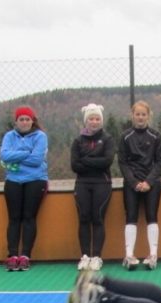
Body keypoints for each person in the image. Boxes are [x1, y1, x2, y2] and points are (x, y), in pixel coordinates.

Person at [0, 106, 49, 271]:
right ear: (16, 121)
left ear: (32, 121)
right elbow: (4, 156)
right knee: (14, 218)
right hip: (13, 180)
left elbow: (36, 160)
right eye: (21, 119)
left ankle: (26, 255)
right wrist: (26, 152)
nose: (25, 122)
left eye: (28, 119)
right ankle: (12, 255)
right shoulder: (9, 136)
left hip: (35, 180)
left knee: (29, 217)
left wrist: (16, 156)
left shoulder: (40, 136)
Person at [117, 101, 161, 270]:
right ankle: (129, 255)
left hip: (152, 183)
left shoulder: (156, 136)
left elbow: (159, 162)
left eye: (143, 114)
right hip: (132, 184)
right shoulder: (125, 137)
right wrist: (134, 182)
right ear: (132, 116)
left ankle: (153, 254)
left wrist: (149, 182)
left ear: (148, 116)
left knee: (152, 216)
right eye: (137, 114)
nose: (140, 117)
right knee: (131, 216)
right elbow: (122, 162)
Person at [71, 103, 115, 271]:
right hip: (82, 183)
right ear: (86, 121)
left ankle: (96, 256)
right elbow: (75, 165)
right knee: (83, 218)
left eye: (97, 119)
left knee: (97, 218)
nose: (94, 122)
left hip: (102, 183)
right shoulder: (78, 140)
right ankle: (85, 256)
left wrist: (86, 159)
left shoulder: (108, 139)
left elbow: (107, 161)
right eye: (91, 119)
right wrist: (94, 161)